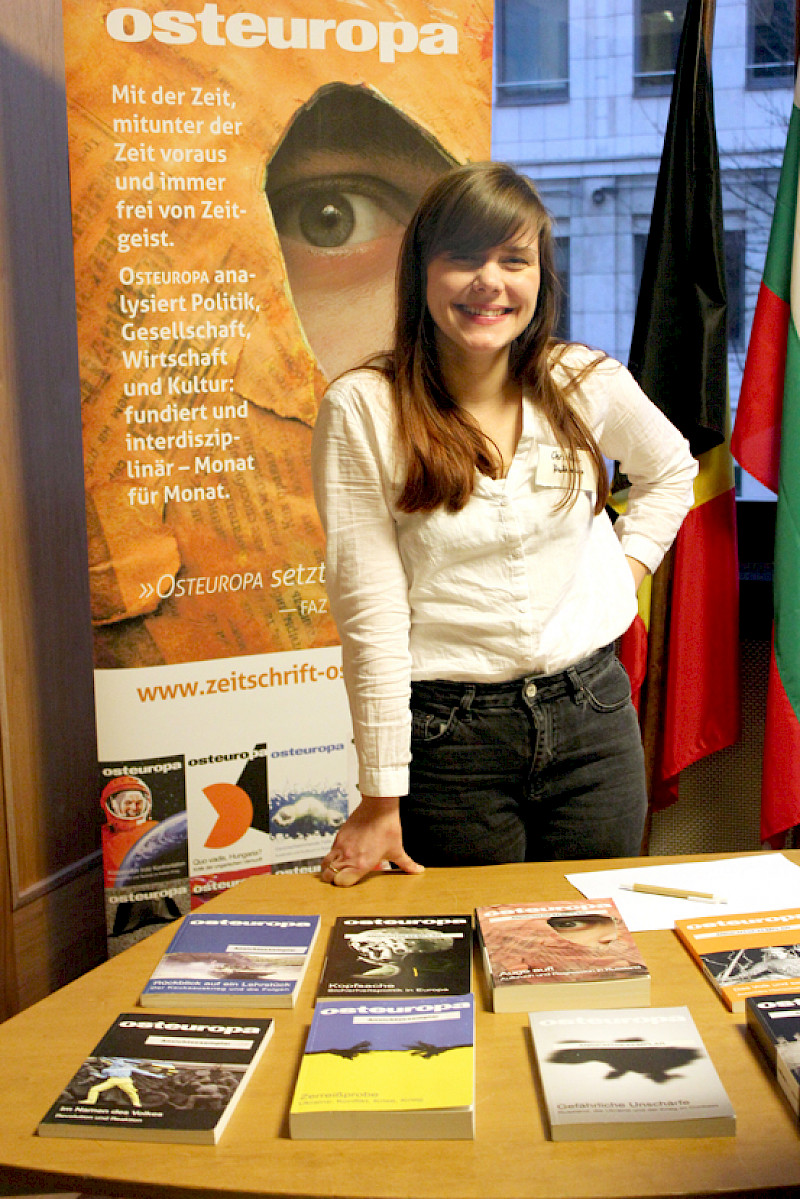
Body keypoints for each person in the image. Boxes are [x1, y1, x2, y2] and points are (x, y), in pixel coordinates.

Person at [312, 162, 698, 887]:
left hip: (593, 716)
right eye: (464, 257)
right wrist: (381, 794)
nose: (489, 281)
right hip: (450, 740)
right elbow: (371, 613)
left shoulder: (583, 381)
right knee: (471, 940)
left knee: (594, 932)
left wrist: (624, 570)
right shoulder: (364, 408)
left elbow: (672, 471)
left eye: (514, 260)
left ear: (540, 277)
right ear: (422, 272)